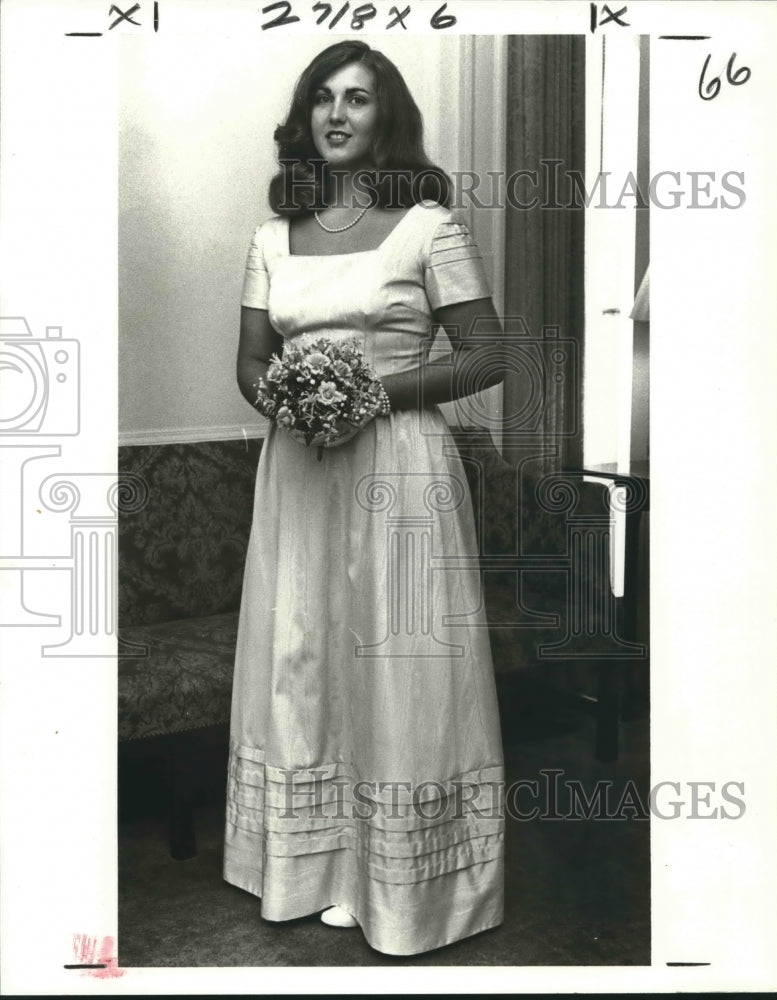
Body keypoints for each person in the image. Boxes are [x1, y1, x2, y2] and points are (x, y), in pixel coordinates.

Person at [224, 39, 505, 957]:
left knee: (395, 664)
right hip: (299, 471)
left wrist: (372, 397)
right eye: (322, 100)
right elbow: (250, 363)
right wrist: (299, 405)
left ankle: (393, 883)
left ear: (388, 119)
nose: (337, 115)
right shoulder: (273, 236)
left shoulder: (428, 226)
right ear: (304, 118)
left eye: (358, 100)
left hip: (401, 470)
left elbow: (486, 355)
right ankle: (314, 866)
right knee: (302, 654)